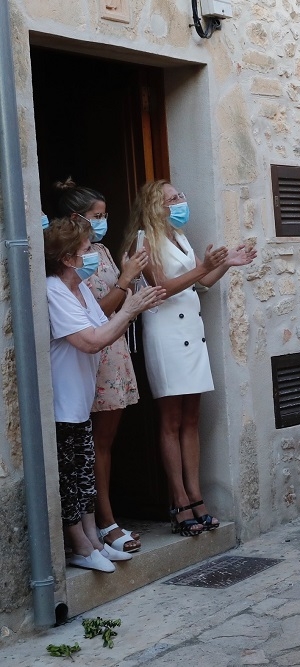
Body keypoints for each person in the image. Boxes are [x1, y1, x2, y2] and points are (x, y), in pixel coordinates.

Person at [122, 181, 256, 537]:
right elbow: (162, 287)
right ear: (155, 206)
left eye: (181, 195)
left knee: (191, 418)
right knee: (170, 420)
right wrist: (203, 268)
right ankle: (179, 500)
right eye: (172, 198)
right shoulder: (144, 240)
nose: (181, 201)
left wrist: (227, 263)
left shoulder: (179, 236)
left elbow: (203, 281)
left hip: (191, 335)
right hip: (164, 334)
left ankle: (196, 495)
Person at [43, 216, 163, 572]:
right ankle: (80, 546)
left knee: (82, 476)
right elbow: (91, 341)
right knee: (69, 477)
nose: (91, 254)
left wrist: (128, 309)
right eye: (85, 250)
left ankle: (94, 539)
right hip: (63, 403)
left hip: (80, 402)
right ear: (68, 258)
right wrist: (130, 309)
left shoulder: (78, 289)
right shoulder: (54, 289)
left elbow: (102, 326)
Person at [55, 179, 149, 554]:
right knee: (95, 446)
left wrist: (132, 280)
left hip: (116, 350)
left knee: (106, 443)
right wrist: (126, 283)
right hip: (97, 351)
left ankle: (101, 522)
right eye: (97, 216)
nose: (103, 221)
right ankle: (105, 523)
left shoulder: (103, 251)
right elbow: (97, 312)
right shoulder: (73, 261)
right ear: (77, 218)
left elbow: (120, 295)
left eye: (105, 215)